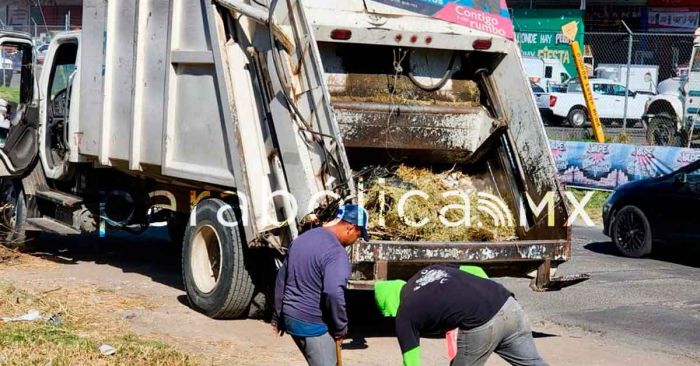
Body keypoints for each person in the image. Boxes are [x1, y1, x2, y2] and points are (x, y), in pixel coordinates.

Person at [374, 264, 547, 366]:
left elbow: (411, 361)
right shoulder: (428, 270)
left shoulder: (405, 313)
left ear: (389, 307)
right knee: (532, 363)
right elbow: (474, 269)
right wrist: (486, 296)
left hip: (482, 322)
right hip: (508, 303)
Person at [272, 204, 369, 366]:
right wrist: (340, 327)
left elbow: (282, 278)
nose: (355, 241)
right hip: (311, 324)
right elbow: (333, 292)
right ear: (350, 228)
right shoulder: (336, 253)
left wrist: (277, 316)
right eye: (358, 235)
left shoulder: (303, 239)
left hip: (291, 316)